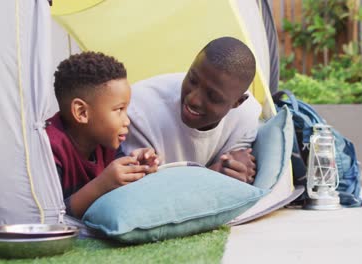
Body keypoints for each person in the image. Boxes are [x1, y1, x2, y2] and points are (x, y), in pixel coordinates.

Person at [123, 37, 261, 184]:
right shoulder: (139, 110)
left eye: (212, 96)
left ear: (237, 102)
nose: (193, 99)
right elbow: (145, 191)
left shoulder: (247, 114)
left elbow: (235, 169)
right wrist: (212, 175)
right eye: (192, 80)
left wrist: (238, 169)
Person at [46, 51, 159, 219]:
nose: (127, 121)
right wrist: (102, 185)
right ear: (82, 112)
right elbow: (49, 217)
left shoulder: (105, 142)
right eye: (119, 109)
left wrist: (137, 169)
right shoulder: (48, 149)